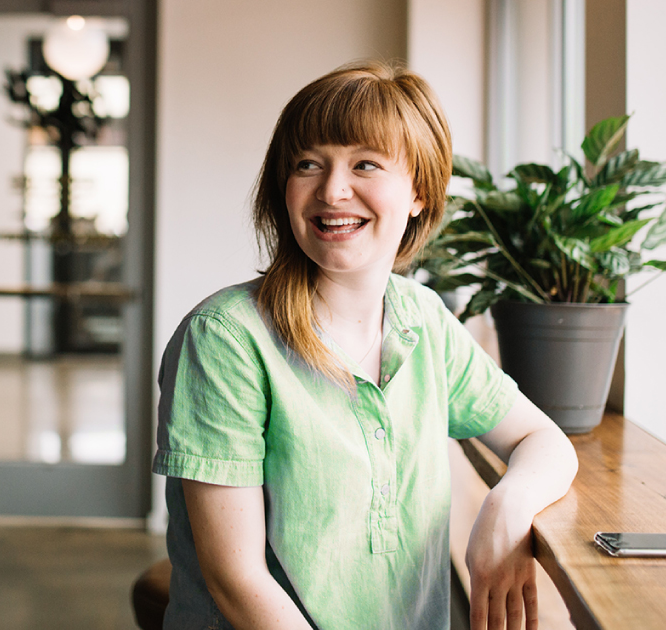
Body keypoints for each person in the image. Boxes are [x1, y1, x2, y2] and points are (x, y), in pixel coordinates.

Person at [152, 61, 578, 630]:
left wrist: (507, 506)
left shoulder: (422, 318)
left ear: (419, 193)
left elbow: (542, 439)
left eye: (365, 164)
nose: (332, 190)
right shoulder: (225, 338)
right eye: (308, 164)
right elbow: (237, 582)